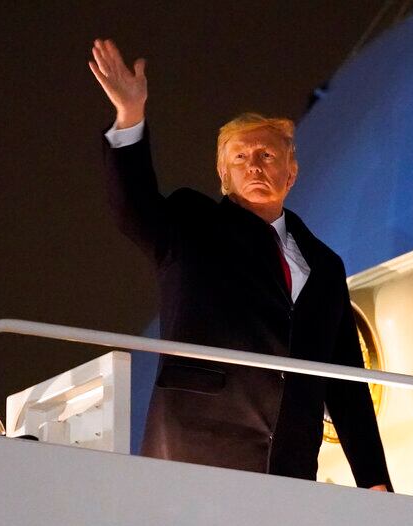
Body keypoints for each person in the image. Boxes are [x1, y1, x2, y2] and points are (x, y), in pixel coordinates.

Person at [89, 38, 392, 491]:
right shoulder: (192, 224)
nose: (254, 166)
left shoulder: (325, 266)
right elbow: (131, 207)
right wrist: (130, 116)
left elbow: (346, 381)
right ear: (223, 175)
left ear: (291, 172)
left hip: (287, 464)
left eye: (267, 155)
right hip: (195, 455)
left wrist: (374, 478)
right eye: (240, 157)